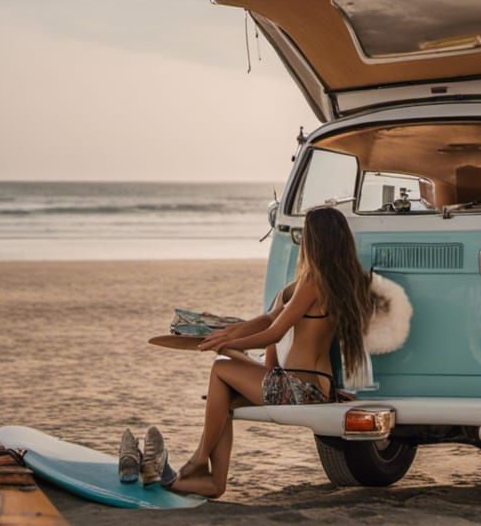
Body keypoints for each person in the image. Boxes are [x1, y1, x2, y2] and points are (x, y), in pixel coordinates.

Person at [122, 206, 375, 498]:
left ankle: (199, 459)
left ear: (314, 241)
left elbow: (275, 333)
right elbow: (269, 319)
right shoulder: (333, 282)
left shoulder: (312, 284)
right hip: (310, 384)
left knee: (220, 369)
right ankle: (211, 484)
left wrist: (227, 345)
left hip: (300, 388)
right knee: (225, 397)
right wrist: (226, 332)